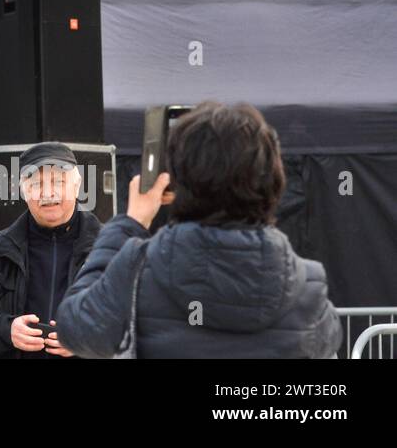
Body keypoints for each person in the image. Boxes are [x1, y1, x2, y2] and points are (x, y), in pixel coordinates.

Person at [56, 102, 342, 359]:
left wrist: (130, 223)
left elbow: (76, 328)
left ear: (179, 178)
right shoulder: (309, 285)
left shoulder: (137, 266)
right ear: (273, 179)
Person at [0, 143, 101, 359]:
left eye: (58, 182)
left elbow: (136, 316)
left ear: (77, 186)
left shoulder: (109, 247)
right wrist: (7, 330)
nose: (48, 193)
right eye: (37, 184)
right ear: (23, 190)